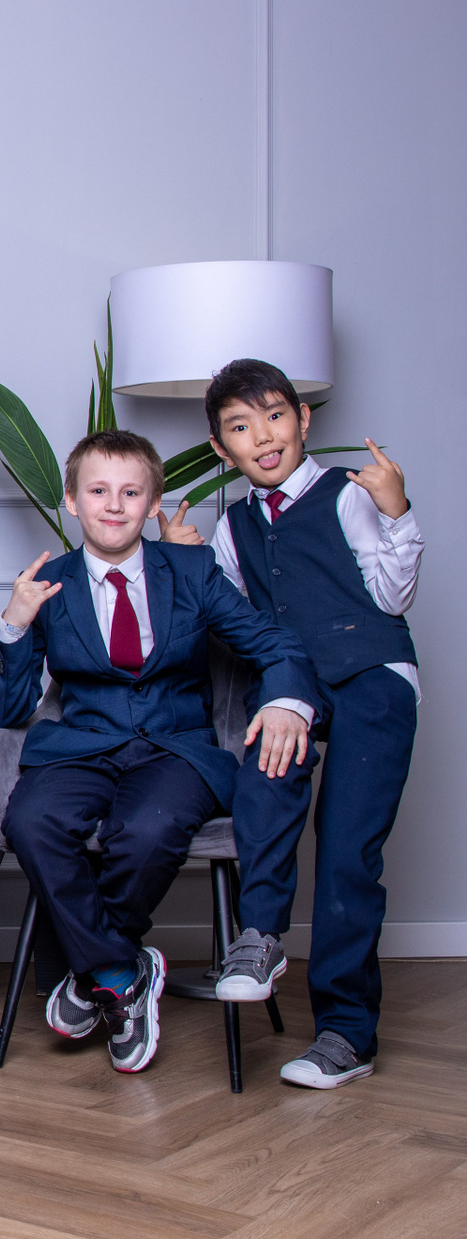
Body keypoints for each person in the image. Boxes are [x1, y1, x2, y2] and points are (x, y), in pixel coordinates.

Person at [0, 430, 317, 1076]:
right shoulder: (48, 584)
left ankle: (98, 970)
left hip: (175, 751)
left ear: (152, 501)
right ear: (72, 501)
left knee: (147, 829)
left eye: (131, 492)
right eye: (98, 491)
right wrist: (13, 623)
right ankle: (118, 971)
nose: (114, 505)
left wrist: (284, 701)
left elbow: (273, 643)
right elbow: (6, 707)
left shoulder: (191, 571)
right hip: (80, 749)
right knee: (31, 822)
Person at [160, 358, 421, 1089]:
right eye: (241, 427)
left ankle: (346, 1034)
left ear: (304, 419)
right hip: (297, 681)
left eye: (275, 416)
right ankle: (261, 936)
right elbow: (231, 626)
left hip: (370, 674)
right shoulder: (232, 527)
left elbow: (393, 598)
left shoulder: (348, 494)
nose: (264, 436)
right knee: (266, 775)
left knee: (346, 852)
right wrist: (185, 566)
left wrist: (397, 511)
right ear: (222, 449)